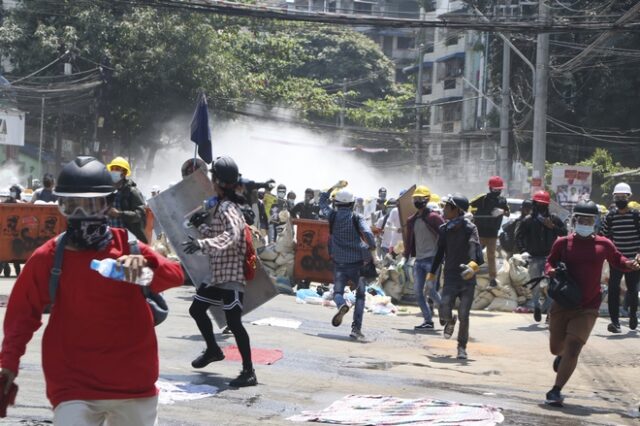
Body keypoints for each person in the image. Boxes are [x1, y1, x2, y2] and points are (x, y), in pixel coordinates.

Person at [0, 156, 184, 424]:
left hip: (133, 386)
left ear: (108, 205)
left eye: (91, 205)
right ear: (61, 207)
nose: (82, 214)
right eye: (72, 206)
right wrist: (8, 364)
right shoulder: (49, 259)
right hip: (73, 386)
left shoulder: (129, 251)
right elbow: (21, 316)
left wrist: (148, 262)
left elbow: (175, 277)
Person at [543, 200, 640, 407]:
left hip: (588, 306)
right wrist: (550, 271)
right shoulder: (563, 243)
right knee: (556, 348)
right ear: (575, 220)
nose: (585, 222)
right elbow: (549, 261)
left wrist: (630, 264)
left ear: (595, 222)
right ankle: (560, 357)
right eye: (582, 219)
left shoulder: (604, 244)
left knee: (574, 348)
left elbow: (618, 260)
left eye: (590, 219)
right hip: (563, 302)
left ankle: (555, 390)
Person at [181, 156, 257, 387]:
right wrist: (200, 226)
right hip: (217, 274)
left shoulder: (228, 208)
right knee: (197, 309)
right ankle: (213, 349)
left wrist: (202, 244)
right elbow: (217, 234)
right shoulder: (219, 206)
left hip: (231, 274)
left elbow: (232, 236)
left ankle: (249, 372)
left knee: (234, 323)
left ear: (218, 182)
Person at [429, 193, 483, 360]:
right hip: (451, 276)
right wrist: (431, 275)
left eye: (446, 207)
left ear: (456, 210)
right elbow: (439, 254)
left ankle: (461, 347)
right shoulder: (444, 229)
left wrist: (472, 267)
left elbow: (477, 253)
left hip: (467, 277)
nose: (443, 210)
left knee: (464, 315)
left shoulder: (470, 228)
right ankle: (449, 320)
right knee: (443, 309)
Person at [319, 185, 376, 341]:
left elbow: (322, 203)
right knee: (360, 295)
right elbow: (368, 234)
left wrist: (332, 187)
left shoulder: (332, 216)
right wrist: (372, 247)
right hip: (357, 263)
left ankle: (341, 305)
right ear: (352, 204)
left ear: (336, 203)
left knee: (337, 292)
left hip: (339, 262)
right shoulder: (357, 217)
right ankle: (356, 329)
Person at [516, 191, 567, 323]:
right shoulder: (528, 220)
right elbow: (519, 236)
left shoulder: (553, 218)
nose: (541, 206)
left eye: (543, 204)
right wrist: (523, 251)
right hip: (533, 257)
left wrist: (553, 227)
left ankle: (549, 311)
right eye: (539, 204)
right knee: (535, 285)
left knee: (552, 286)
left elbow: (565, 233)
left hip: (551, 258)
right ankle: (537, 306)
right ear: (534, 204)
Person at [600, 182, 640, 333]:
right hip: (616, 260)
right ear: (614, 198)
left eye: (623, 197)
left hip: (634, 259)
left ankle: (633, 315)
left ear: (628, 197)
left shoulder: (636, 216)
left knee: (632, 289)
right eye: (618, 197)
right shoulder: (610, 217)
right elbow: (603, 236)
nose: (620, 199)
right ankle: (615, 322)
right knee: (613, 289)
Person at [403, 186, 444, 330]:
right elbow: (408, 240)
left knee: (431, 290)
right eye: (415, 199)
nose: (417, 201)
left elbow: (445, 234)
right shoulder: (412, 220)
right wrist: (406, 256)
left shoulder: (434, 217)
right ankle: (428, 321)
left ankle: (446, 314)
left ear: (427, 200)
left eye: (420, 199)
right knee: (418, 292)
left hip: (433, 260)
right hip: (419, 260)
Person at [470, 176, 510, 287]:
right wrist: (471, 214)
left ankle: (493, 278)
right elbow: (469, 205)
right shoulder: (482, 198)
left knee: (491, 256)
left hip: (492, 233)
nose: (497, 191)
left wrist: (502, 211)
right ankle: (470, 274)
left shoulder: (502, 200)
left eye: (499, 189)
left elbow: (508, 213)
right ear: (490, 188)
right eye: (495, 189)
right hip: (480, 232)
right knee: (475, 255)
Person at [106, 156, 148, 243]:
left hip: (128, 239)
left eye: (117, 169)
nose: (114, 171)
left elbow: (140, 215)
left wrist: (120, 214)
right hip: (111, 238)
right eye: (112, 169)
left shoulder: (132, 191)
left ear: (124, 173)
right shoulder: (108, 191)